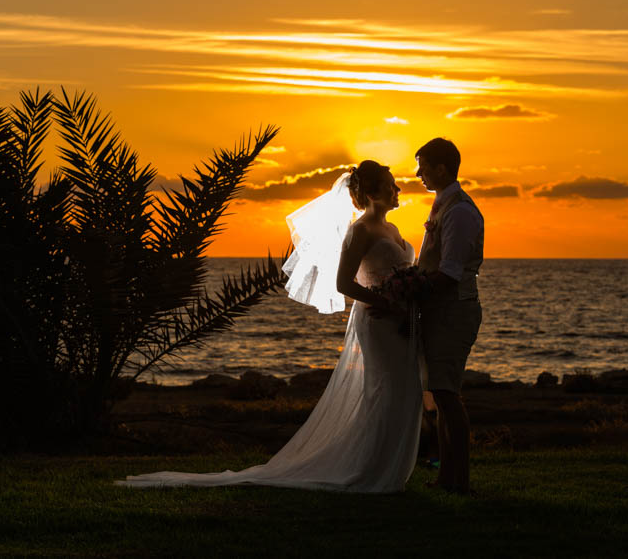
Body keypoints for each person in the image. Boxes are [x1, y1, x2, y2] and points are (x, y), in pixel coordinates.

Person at [116, 161, 424, 492]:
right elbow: (343, 284)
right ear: (375, 191)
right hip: (377, 321)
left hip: (401, 320)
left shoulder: (393, 230)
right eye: (392, 185)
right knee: (383, 391)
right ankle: (371, 469)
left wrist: (409, 297)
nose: (399, 189)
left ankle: (390, 467)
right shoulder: (360, 231)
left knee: (406, 390)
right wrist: (387, 303)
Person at [414, 138, 484, 495]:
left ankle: (461, 480)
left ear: (442, 168)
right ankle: (447, 478)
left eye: (423, 165)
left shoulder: (458, 211)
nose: (418, 173)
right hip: (440, 310)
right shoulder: (443, 204)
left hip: (453, 311)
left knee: (448, 395)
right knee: (441, 395)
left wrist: (411, 291)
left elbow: (450, 273)